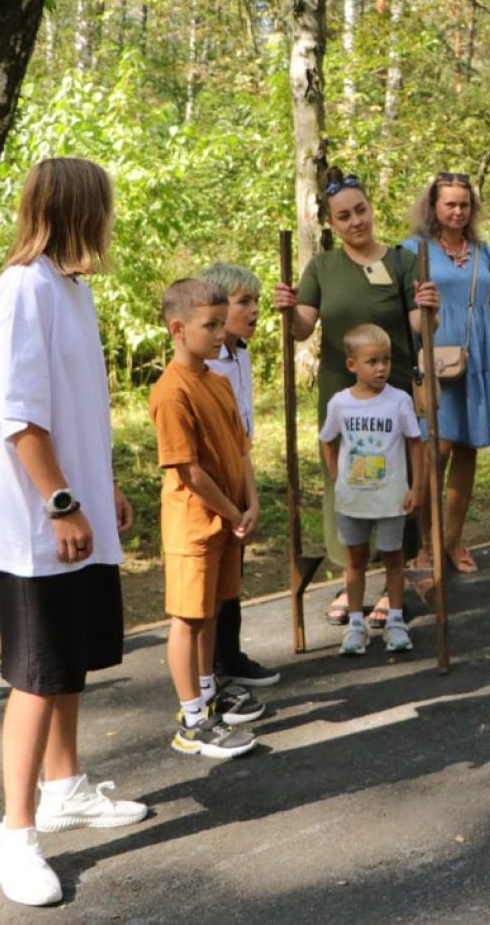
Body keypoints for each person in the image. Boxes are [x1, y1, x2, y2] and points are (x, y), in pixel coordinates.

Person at [0, 158, 146, 907]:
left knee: (69, 659)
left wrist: (101, 488)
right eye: (104, 207)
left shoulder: (70, 289)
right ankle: (15, 838)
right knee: (37, 675)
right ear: (78, 210)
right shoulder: (21, 292)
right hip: (35, 522)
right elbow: (20, 417)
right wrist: (62, 502)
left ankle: (64, 787)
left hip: (73, 506)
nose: (109, 221)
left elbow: (76, 407)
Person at [271, 167, 440, 629]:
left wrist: (431, 308)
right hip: (341, 396)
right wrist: (287, 311)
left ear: (371, 209)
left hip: (391, 391)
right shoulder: (322, 268)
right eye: (344, 216)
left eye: (360, 210)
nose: (355, 221)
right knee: (347, 479)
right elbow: (302, 329)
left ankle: (391, 583)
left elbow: (420, 329)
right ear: (331, 223)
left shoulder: (404, 261)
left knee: (393, 478)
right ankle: (352, 582)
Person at [150, 279, 265, 760]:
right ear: (178, 329)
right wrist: (233, 510)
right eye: (210, 326)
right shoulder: (171, 392)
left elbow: (240, 450)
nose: (221, 334)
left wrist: (251, 503)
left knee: (211, 611)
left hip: (226, 521)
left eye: (222, 324)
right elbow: (188, 471)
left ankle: (208, 696)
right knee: (188, 618)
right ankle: (192, 721)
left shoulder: (217, 381)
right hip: (194, 527)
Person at [401, 171, 490, 576]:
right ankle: (424, 543)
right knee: (436, 451)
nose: (458, 211)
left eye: (464, 204)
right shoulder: (413, 251)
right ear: (433, 207)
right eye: (450, 204)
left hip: (478, 358)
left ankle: (453, 540)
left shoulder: (483, 252)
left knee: (467, 449)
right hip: (435, 360)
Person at [197, 263, 282, 690]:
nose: (254, 310)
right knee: (210, 580)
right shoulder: (205, 367)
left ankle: (229, 655)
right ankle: (209, 668)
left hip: (238, 474)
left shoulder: (240, 356)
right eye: (243, 302)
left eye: (257, 301)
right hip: (212, 482)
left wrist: (250, 495)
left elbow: (242, 432)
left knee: (233, 575)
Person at [319, 323, 426, 656]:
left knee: (394, 557)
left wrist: (417, 486)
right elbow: (327, 439)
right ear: (352, 365)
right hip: (353, 499)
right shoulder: (340, 404)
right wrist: (336, 474)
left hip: (391, 498)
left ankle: (395, 620)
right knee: (355, 559)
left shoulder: (399, 401)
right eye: (372, 361)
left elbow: (416, 442)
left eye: (386, 360)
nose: (381, 368)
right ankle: (355, 624)